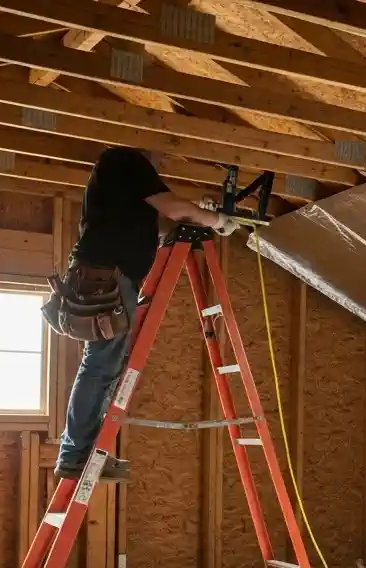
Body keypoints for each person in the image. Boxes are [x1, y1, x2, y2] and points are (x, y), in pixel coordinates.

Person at [53, 147, 240, 483]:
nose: (163, 165)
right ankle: (75, 455)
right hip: (109, 278)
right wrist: (217, 220)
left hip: (104, 277)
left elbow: (164, 222)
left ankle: (81, 451)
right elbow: (172, 207)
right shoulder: (128, 161)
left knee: (102, 367)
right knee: (99, 368)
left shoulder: (120, 182)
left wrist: (199, 212)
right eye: (162, 159)